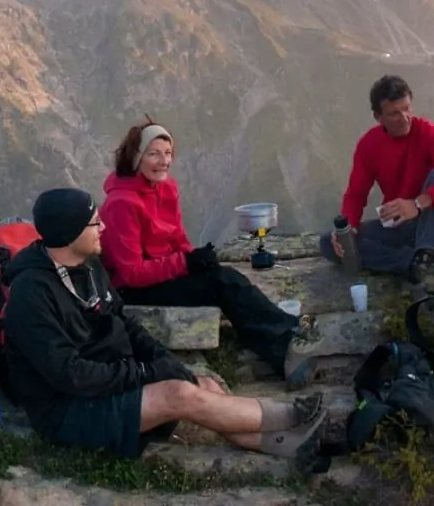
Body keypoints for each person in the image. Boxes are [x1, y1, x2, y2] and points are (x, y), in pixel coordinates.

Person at [1, 187, 330, 466]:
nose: (102, 227)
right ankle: (291, 415)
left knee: (203, 384)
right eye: (93, 222)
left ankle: (287, 443)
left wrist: (162, 361)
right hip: (69, 411)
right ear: (69, 233)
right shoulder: (31, 296)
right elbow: (69, 374)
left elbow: (123, 323)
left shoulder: (88, 266)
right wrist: (146, 373)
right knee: (179, 394)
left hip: (107, 381)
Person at [100, 117, 324, 388]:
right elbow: (132, 273)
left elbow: (176, 237)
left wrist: (195, 260)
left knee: (221, 277)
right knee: (222, 283)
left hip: (160, 275)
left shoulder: (165, 188)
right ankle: (288, 338)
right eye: (154, 154)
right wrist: (185, 263)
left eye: (168, 153)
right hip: (133, 289)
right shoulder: (121, 203)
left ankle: (282, 350)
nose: (164, 161)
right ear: (136, 157)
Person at [319, 75, 434, 283]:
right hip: (403, 225)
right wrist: (348, 229)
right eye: (394, 113)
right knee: (330, 242)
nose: (405, 117)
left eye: (407, 108)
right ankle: (412, 263)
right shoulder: (369, 145)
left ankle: (432, 253)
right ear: (378, 116)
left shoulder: (429, 133)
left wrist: (418, 203)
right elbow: (356, 194)